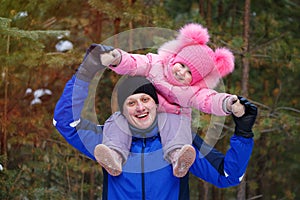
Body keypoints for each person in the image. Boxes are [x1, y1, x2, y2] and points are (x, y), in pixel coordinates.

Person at [53, 43, 258, 200]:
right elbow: (64, 122)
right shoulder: (107, 137)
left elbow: (227, 176)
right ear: (122, 109)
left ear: (156, 104)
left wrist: (243, 132)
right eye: (131, 103)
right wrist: (85, 73)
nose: (140, 107)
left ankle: (175, 158)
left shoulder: (183, 139)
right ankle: (117, 157)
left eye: (145, 100)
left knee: (179, 149)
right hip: (113, 149)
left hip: (177, 148)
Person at [94, 23, 245, 177]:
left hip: (170, 118)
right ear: (175, 58)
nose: (181, 72)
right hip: (144, 113)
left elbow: (209, 100)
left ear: (195, 80)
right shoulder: (156, 64)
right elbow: (134, 63)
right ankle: (114, 156)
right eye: (182, 65)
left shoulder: (193, 92)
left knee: (178, 123)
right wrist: (117, 59)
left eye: (189, 73)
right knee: (117, 120)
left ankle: (178, 157)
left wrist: (228, 103)